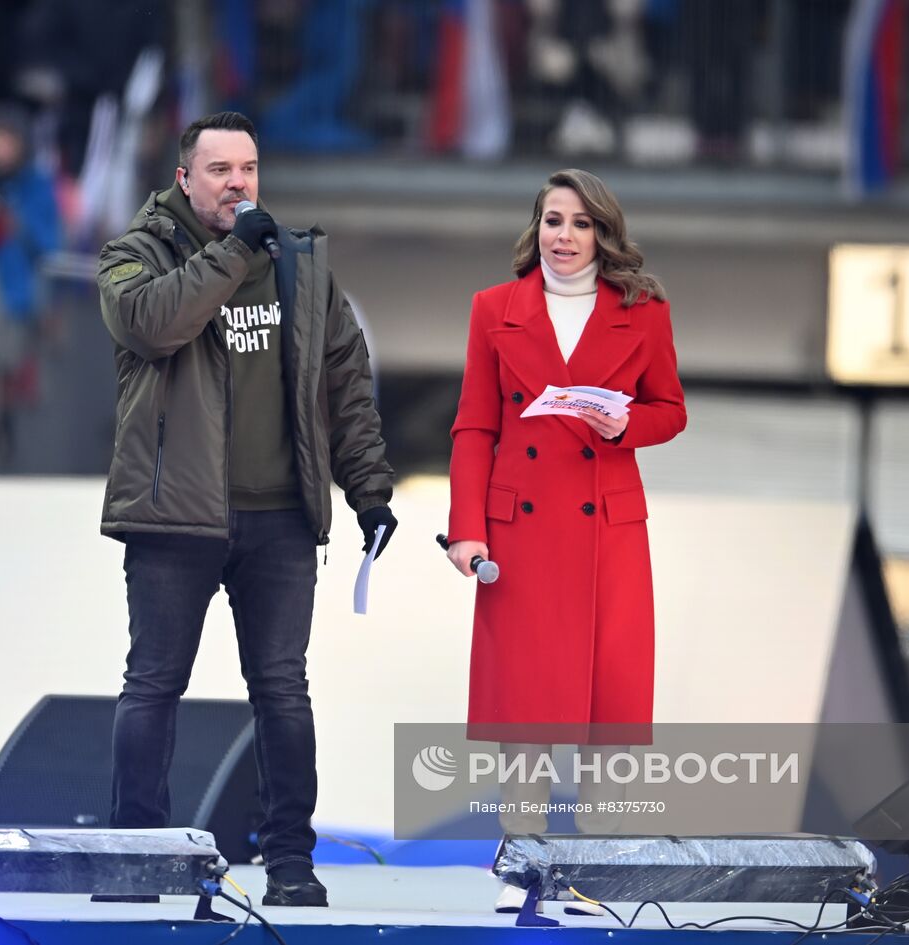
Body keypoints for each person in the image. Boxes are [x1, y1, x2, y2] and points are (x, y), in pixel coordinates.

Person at [95, 111, 396, 908]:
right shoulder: (134, 255)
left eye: (249, 169)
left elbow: (345, 381)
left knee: (283, 689)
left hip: (279, 519)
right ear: (184, 179)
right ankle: (137, 857)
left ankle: (290, 859)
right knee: (153, 685)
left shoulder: (299, 265)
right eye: (220, 169)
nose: (238, 183)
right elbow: (155, 326)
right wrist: (233, 251)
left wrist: (368, 489)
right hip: (174, 516)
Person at [445, 167, 686, 909]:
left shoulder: (644, 311)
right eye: (553, 220)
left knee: (609, 706)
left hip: (607, 527)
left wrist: (626, 424)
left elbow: (670, 409)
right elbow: (475, 425)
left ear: (603, 234)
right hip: (520, 532)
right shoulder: (495, 308)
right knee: (528, 709)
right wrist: (466, 531)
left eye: (580, 223)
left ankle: (595, 870)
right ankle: (521, 864)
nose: (565, 236)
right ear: (536, 229)